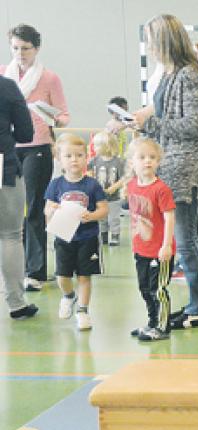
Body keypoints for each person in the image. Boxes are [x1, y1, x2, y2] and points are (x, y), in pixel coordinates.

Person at [131, 14, 198, 330]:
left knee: (185, 241)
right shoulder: (169, 74)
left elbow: (193, 126)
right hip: (172, 166)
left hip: (184, 170)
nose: (149, 46)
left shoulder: (188, 75)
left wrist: (149, 123)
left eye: (152, 40)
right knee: (188, 240)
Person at [2, 24, 70, 292]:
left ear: (36, 49)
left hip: (37, 146)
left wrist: (52, 117)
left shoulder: (49, 78)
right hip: (6, 148)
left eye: (26, 48)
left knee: (31, 209)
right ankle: (11, 273)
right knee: (7, 212)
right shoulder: (3, 76)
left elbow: (64, 116)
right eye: (16, 48)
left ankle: (35, 271)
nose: (20, 53)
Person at [43, 133, 107, 331]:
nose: (74, 160)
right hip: (64, 237)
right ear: (59, 159)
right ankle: (69, 296)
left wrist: (93, 215)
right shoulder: (56, 184)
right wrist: (51, 211)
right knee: (62, 276)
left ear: (85, 157)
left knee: (84, 277)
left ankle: (83, 310)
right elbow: (47, 209)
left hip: (87, 238)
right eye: (69, 156)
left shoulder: (92, 184)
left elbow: (104, 209)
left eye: (79, 155)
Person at [125, 137, 174, 342]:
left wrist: (166, 245)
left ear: (158, 161)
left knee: (158, 290)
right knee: (144, 288)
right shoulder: (132, 186)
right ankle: (152, 321)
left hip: (159, 251)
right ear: (132, 162)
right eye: (142, 157)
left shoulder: (161, 189)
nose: (147, 161)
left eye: (152, 157)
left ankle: (163, 327)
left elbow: (169, 217)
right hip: (141, 249)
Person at [0, 71, 37, 320]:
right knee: (10, 235)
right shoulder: (7, 86)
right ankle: (16, 304)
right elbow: (25, 134)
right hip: (4, 164)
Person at [87, 132, 127, 245]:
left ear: (107, 146)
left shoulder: (118, 162)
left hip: (114, 198)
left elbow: (124, 177)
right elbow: (89, 173)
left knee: (113, 218)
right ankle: (103, 235)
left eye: (96, 145)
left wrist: (114, 187)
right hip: (99, 198)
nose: (94, 148)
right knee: (101, 218)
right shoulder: (94, 161)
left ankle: (115, 236)